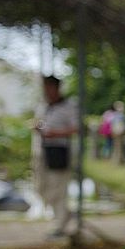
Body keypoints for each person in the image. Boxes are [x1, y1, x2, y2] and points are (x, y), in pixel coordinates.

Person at [33, 75, 78, 238]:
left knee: (58, 189)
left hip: (59, 152)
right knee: (41, 188)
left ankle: (60, 225)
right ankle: (66, 214)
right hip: (42, 152)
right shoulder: (43, 105)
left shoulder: (69, 105)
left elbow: (76, 128)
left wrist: (55, 134)